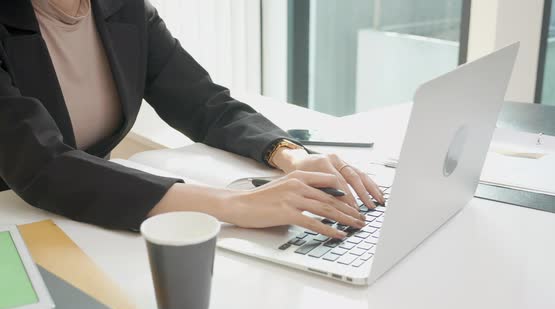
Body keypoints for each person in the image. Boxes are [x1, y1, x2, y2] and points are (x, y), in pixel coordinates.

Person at [0, 0, 384, 239]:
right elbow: (42, 166)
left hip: (94, 206)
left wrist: (291, 156)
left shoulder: (124, 9)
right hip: (13, 221)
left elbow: (203, 102)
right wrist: (236, 205)